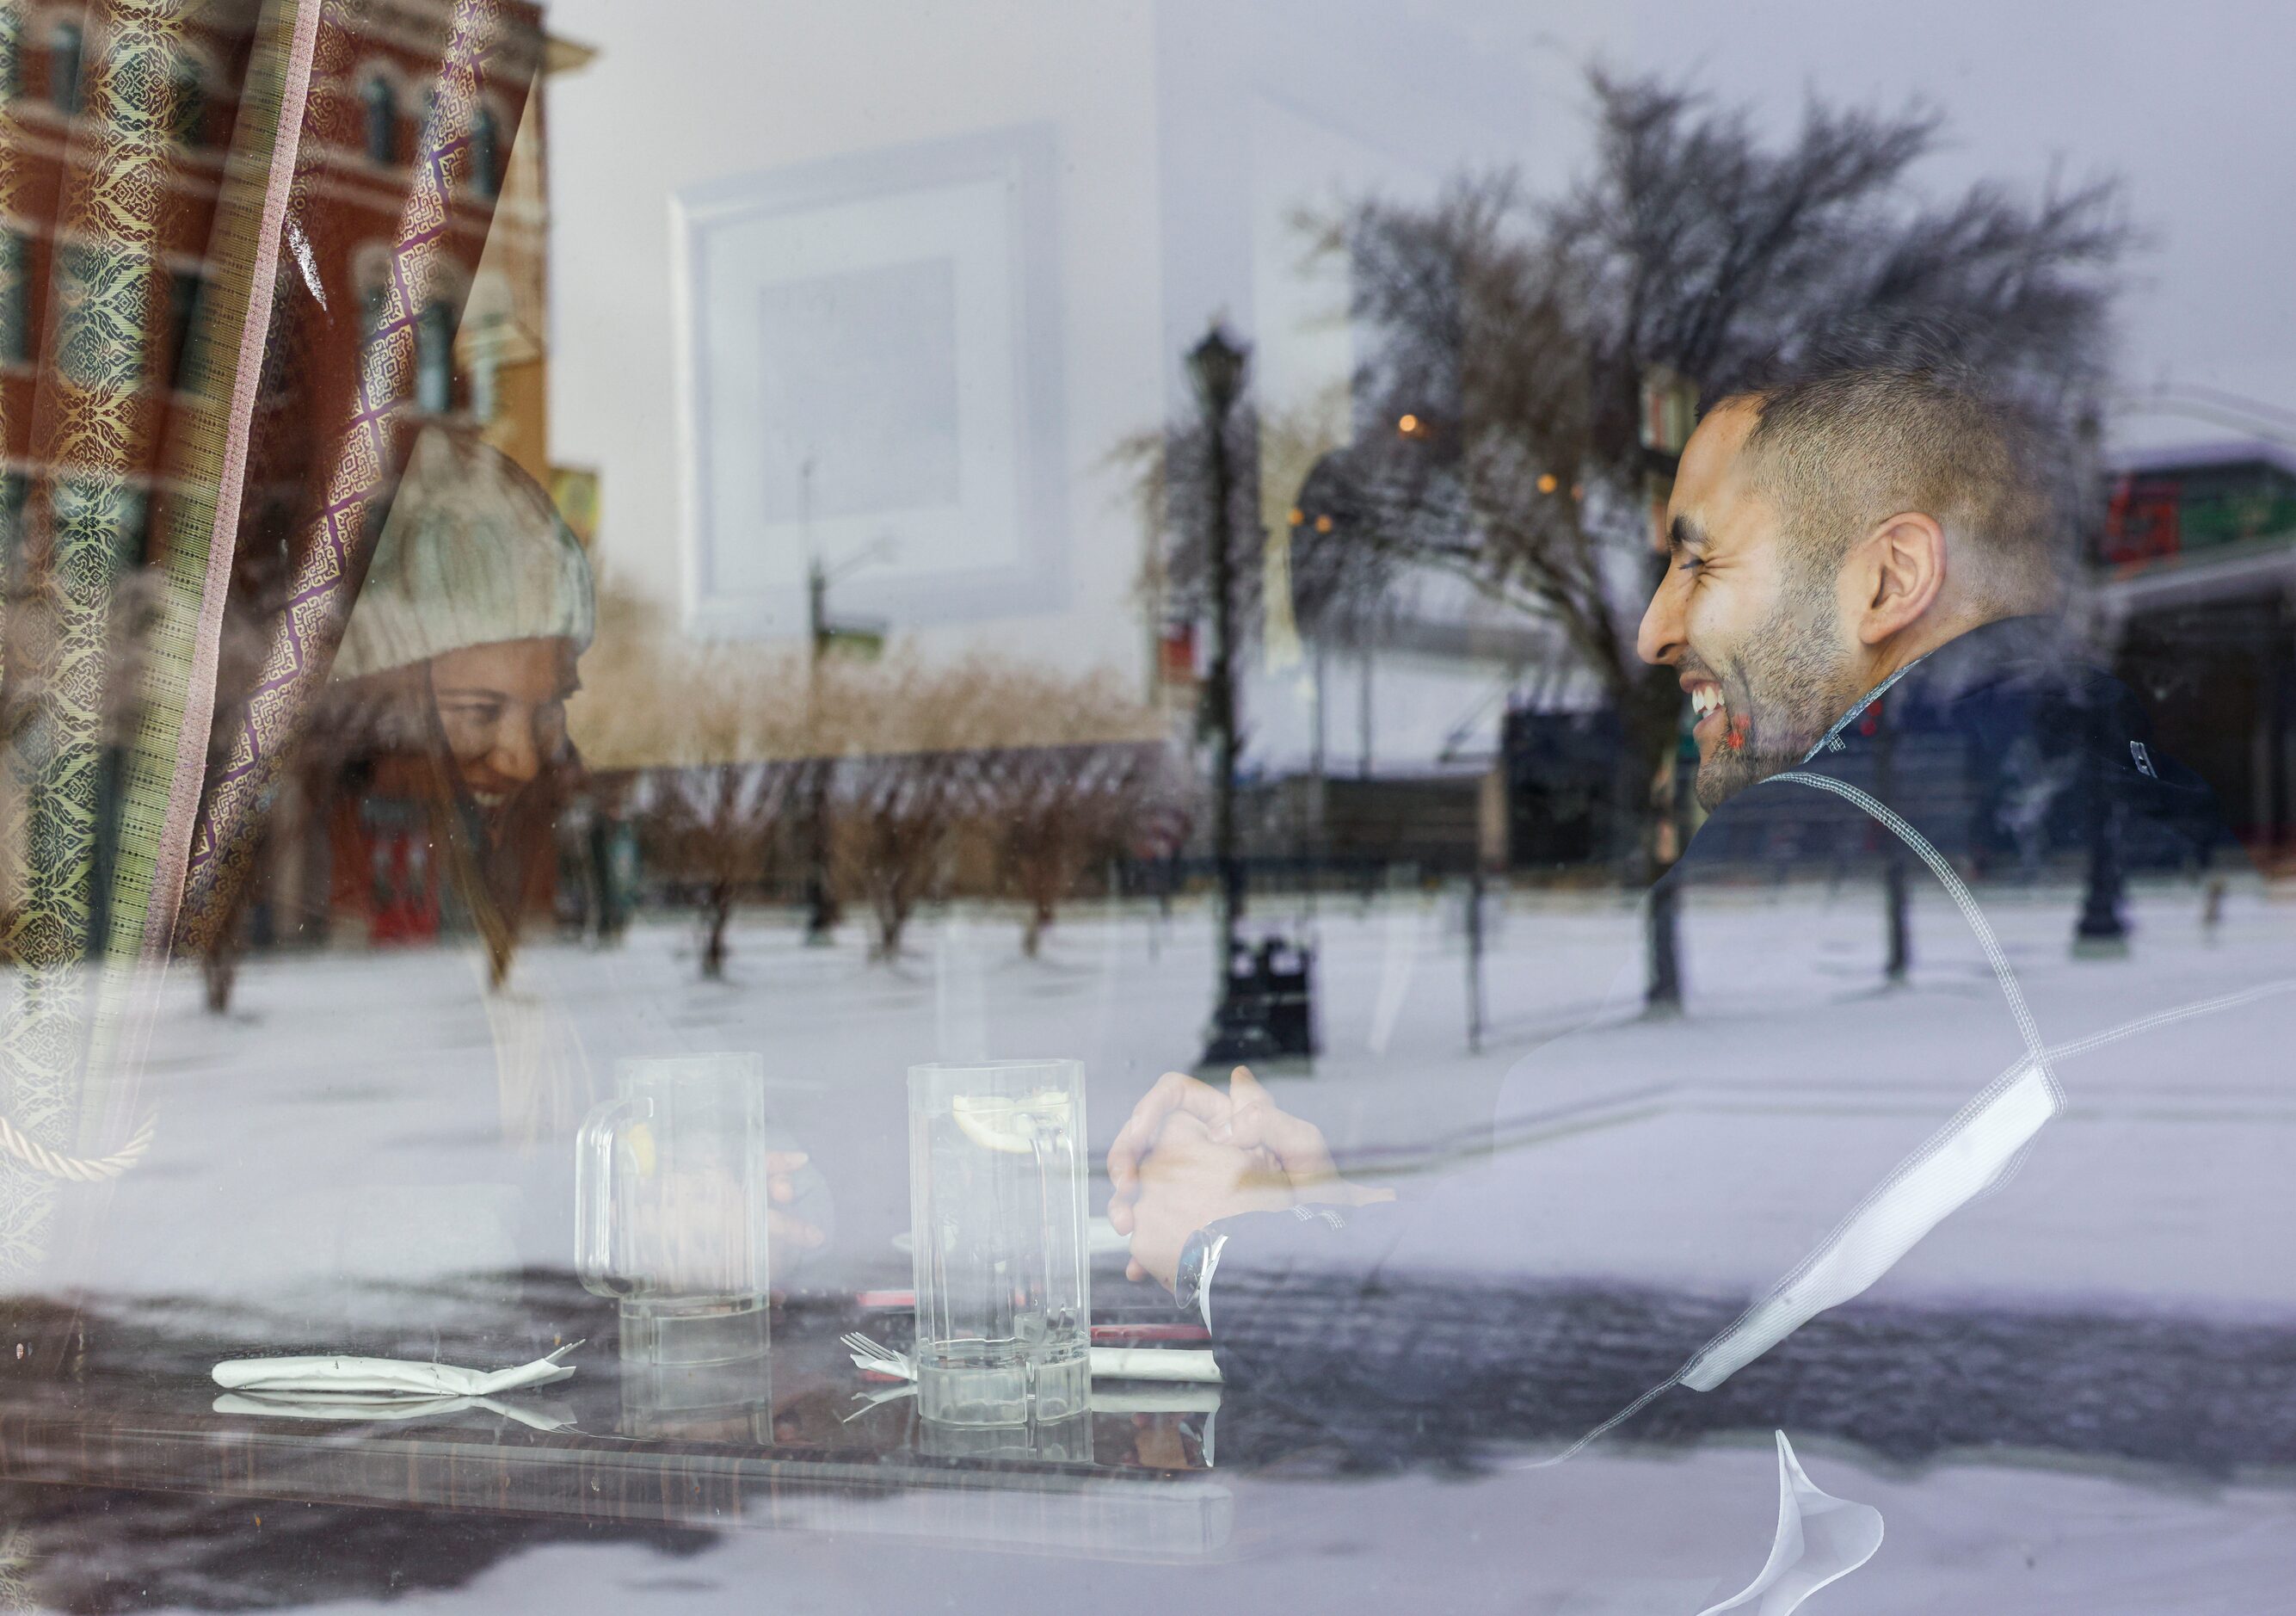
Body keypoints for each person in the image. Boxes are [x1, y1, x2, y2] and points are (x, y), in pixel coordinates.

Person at [1105, 364, 2284, 1455]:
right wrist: (1329, 1209)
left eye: (1700, 563)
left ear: (1887, 578)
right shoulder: (2138, 812)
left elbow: (1521, 1352)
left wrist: (1218, 1243)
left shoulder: (1874, 835)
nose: (1652, 628)